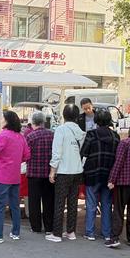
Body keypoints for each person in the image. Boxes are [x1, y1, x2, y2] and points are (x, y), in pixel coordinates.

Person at [0, 111, 30, 244]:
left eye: (2, 118)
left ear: (7, 121)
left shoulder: (3, 136)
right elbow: (27, 155)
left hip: (3, 174)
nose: (0, 120)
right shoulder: (20, 137)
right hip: (15, 175)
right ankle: (15, 232)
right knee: (14, 205)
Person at [46, 104, 85, 243]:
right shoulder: (81, 131)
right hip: (77, 170)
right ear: (76, 116)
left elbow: (57, 152)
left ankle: (57, 234)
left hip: (63, 171)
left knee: (59, 202)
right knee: (73, 202)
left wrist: (52, 171)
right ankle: (70, 232)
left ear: (63, 115)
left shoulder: (61, 130)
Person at [80, 109, 120, 241]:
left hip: (92, 173)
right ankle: (106, 233)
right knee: (107, 204)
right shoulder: (116, 136)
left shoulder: (91, 134)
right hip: (109, 175)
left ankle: (90, 232)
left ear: (96, 121)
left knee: (91, 203)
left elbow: (84, 152)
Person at [25, 111, 55, 234]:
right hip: (49, 173)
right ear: (43, 122)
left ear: (33, 123)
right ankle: (49, 227)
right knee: (49, 201)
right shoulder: (52, 135)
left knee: (34, 201)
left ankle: (36, 227)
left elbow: (26, 155)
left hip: (33, 173)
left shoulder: (30, 137)